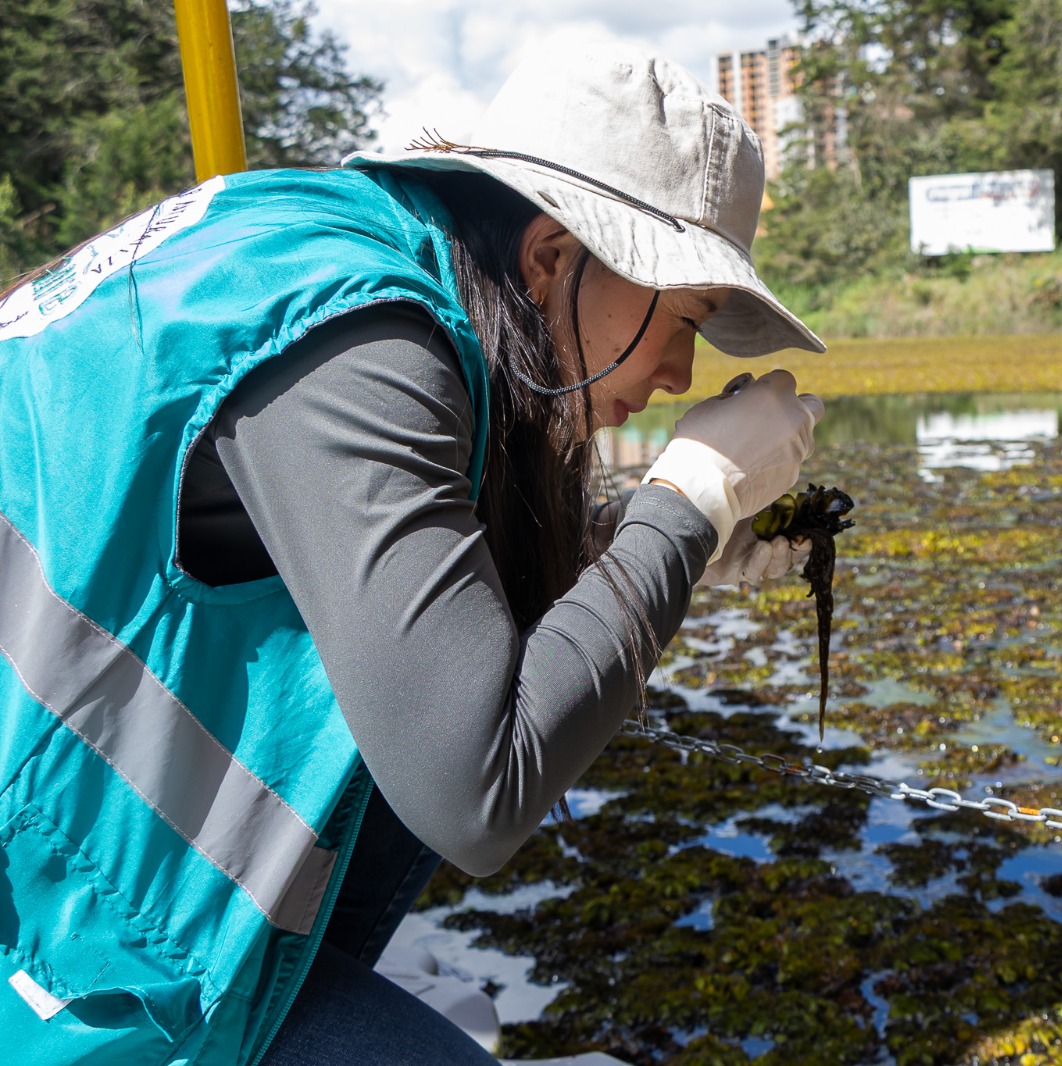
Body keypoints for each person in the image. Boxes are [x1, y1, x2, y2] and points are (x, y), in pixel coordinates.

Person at [0, 44, 823, 1065]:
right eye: (684, 316)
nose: (679, 371)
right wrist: (685, 499)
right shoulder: (356, 341)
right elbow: (477, 790)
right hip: (39, 908)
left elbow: (420, 606)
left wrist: (651, 544)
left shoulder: (341, 257)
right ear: (552, 255)